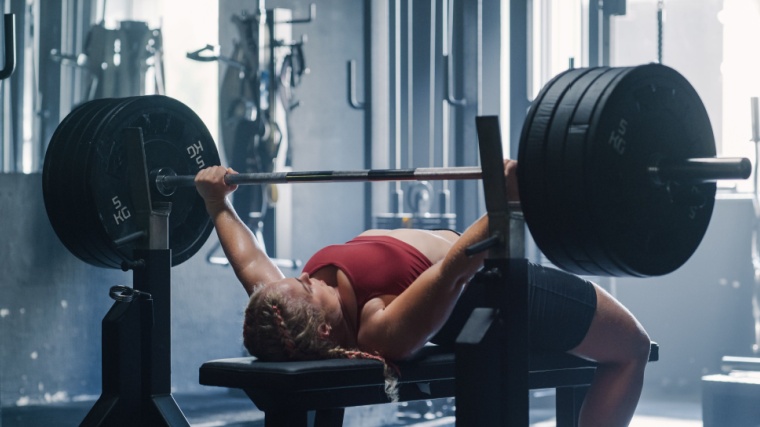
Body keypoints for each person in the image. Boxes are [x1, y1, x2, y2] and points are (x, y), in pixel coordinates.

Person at [195, 160, 651, 427]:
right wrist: (510, 202)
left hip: (471, 273)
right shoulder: (380, 328)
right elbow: (456, 269)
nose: (309, 277)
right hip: (490, 287)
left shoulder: (284, 307)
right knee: (631, 346)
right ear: (326, 328)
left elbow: (251, 263)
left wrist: (216, 201)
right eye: (310, 287)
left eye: (300, 279)